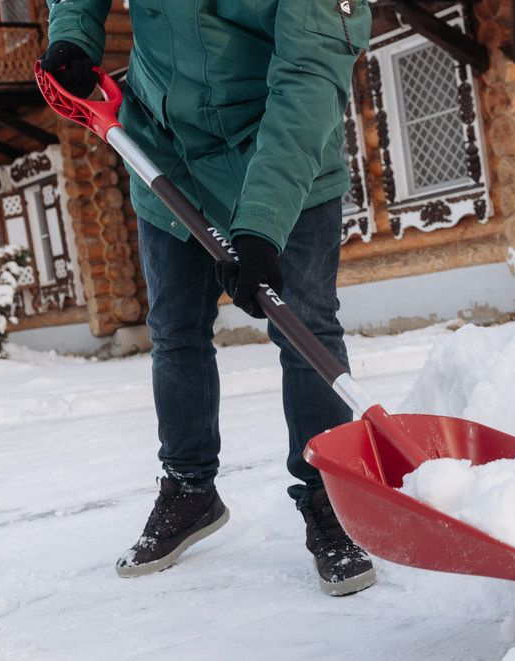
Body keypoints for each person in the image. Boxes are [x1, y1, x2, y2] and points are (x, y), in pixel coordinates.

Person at [41, 0, 376, 595]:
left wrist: (262, 224)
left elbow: (308, 80)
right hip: (165, 151)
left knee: (305, 329)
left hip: (279, 156)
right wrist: (74, 35)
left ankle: (331, 498)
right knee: (174, 330)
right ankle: (190, 489)